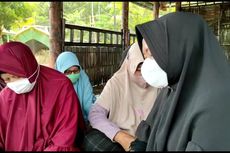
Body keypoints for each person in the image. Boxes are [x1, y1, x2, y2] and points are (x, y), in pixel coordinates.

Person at [129, 12, 230, 151]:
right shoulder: (172, 88)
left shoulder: (218, 102)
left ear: (180, 48)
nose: (147, 64)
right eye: (145, 56)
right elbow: (147, 137)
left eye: (153, 55)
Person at [0, 41, 85, 151]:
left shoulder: (60, 85)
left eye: (15, 76)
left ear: (27, 66)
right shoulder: (5, 96)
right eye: (6, 80)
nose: (12, 82)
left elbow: (65, 136)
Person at [83, 42, 159, 151]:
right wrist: (121, 136)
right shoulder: (117, 83)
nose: (144, 75)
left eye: (148, 69)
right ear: (129, 64)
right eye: (139, 69)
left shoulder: (160, 84)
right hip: (119, 139)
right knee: (91, 140)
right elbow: (95, 114)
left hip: (150, 141)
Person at [55, 51, 96, 124]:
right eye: (68, 72)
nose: (73, 74)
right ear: (60, 70)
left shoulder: (83, 78)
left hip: (81, 121)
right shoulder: (54, 83)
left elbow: (88, 102)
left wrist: (95, 121)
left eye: (76, 71)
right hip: (61, 124)